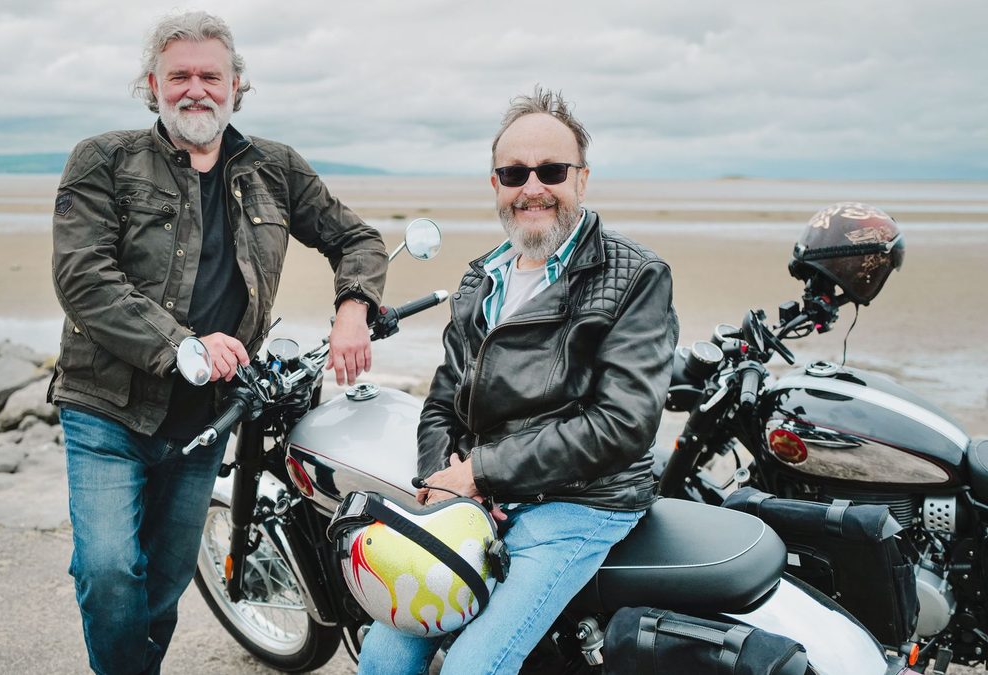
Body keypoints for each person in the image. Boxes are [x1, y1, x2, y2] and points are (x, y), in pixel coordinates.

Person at [49, 11, 388, 675]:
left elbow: (358, 238)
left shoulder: (275, 168)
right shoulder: (104, 159)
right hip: (106, 406)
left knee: (167, 580)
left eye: (211, 75)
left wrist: (354, 305)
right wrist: (182, 344)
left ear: (237, 84)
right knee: (110, 569)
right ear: (153, 84)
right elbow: (81, 276)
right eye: (179, 76)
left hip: (206, 419)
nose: (195, 88)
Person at [357, 87, 677, 674]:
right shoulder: (483, 277)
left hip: (582, 501)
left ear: (581, 179)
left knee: (471, 668)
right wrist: (441, 479)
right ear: (496, 185)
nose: (532, 188)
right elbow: (440, 403)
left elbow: (623, 424)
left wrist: (479, 472)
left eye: (551, 170)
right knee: (382, 653)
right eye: (514, 173)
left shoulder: (636, 275)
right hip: (485, 495)